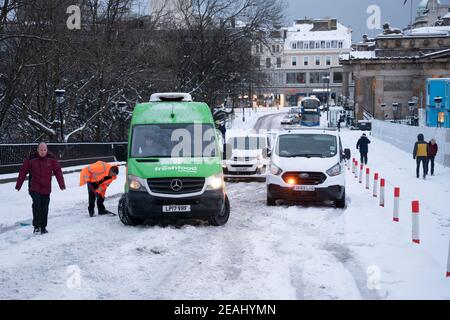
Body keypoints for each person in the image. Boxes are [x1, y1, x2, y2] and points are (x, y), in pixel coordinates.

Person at [15, 143, 66, 234]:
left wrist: (61, 184)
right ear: (37, 150)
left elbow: (58, 171)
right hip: (34, 187)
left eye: (44, 150)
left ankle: (43, 227)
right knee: (37, 205)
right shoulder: (31, 159)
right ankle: (36, 226)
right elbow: (23, 171)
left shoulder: (52, 159)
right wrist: (19, 185)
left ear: (47, 150)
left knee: (44, 207)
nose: (43, 152)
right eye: (41, 150)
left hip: (46, 188)